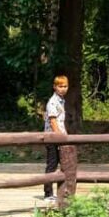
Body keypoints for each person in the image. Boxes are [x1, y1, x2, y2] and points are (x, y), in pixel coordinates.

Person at [44, 75, 68, 203]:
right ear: (54, 87)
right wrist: (59, 137)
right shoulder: (53, 101)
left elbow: (61, 121)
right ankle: (48, 194)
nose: (63, 89)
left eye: (65, 86)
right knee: (52, 165)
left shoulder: (61, 100)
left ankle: (62, 191)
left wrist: (66, 136)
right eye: (60, 86)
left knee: (63, 163)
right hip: (52, 138)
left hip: (60, 137)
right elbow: (53, 121)